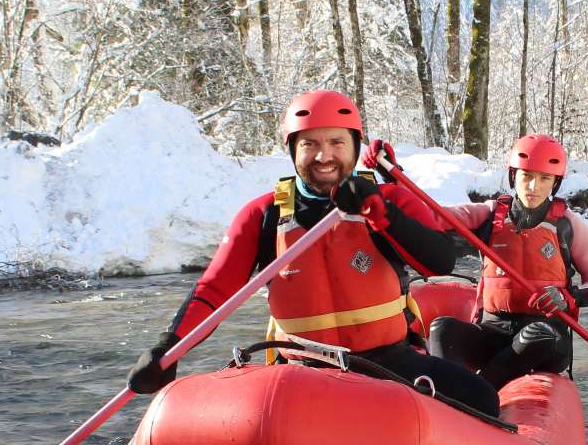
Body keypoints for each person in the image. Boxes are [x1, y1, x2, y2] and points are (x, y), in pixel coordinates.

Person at [127, 90, 501, 418]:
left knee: (481, 398)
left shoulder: (388, 200)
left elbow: (439, 262)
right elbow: (214, 291)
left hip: (387, 362)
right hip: (300, 371)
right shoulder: (263, 215)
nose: (324, 155)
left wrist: (380, 213)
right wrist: (167, 347)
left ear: (354, 145)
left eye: (337, 142)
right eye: (310, 144)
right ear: (292, 149)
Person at [427, 134, 588, 389]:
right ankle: (449, 391)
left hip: (547, 338)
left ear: (555, 183)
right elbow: (435, 216)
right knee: (442, 328)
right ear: (514, 176)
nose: (534, 186)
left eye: (544, 178)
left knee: (537, 335)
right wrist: (392, 185)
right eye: (527, 176)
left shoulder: (568, 224)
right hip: (494, 332)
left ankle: (476, 391)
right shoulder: (489, 215)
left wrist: (568, 297)